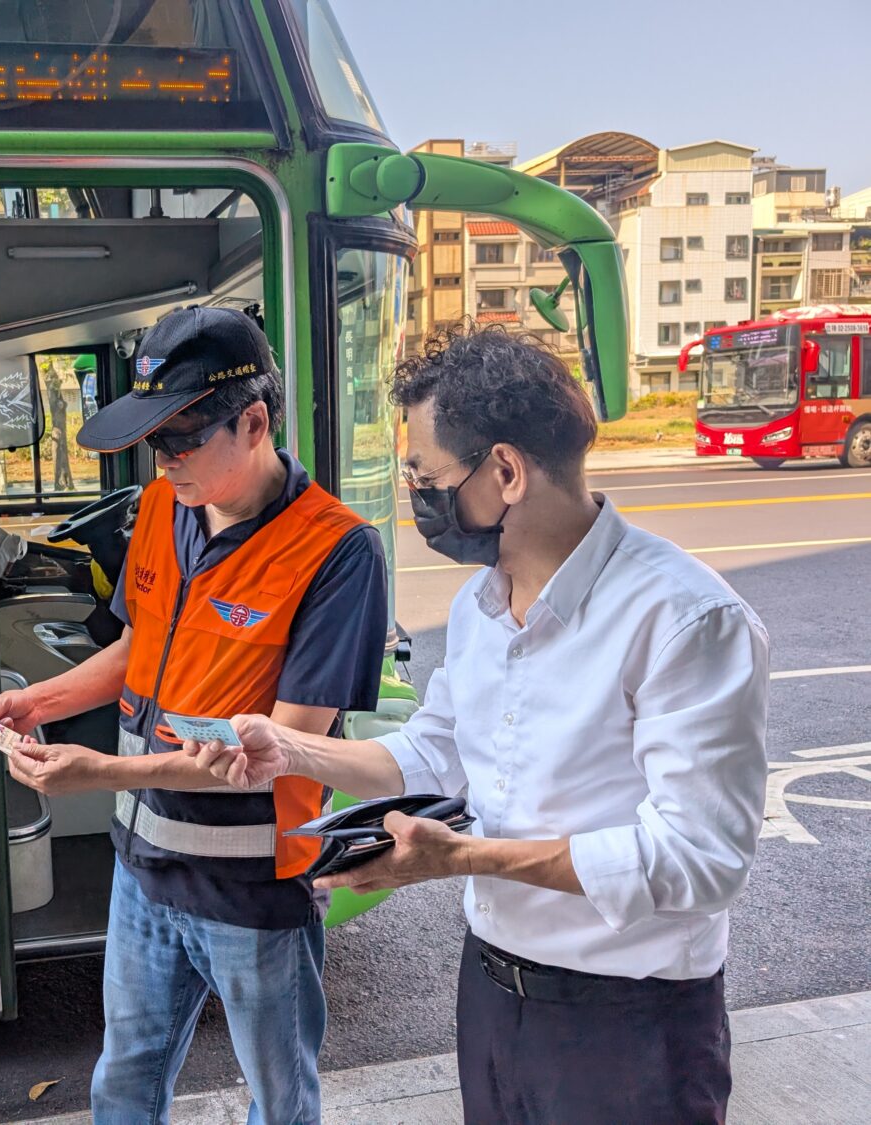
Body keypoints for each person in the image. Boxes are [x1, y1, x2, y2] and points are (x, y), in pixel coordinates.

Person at [185, 323, 770, 1125]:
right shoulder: (479, 608)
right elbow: (434, 753)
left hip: (631, 1022)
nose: (418, 498)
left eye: (425, 477)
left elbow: (700, 858)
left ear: (505, 470)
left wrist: (464, 858)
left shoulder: (683, 617)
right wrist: (287, 749)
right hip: (493, 994)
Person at [0, 307, 388, 1124]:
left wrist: (101, 772)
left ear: (254, 421)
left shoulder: (336, 552)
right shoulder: (162, 509)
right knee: (124, 1079)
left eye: (180, 440)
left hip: (252, 890)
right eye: (153, 444)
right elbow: (138, 649)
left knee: (279, 1097)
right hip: (143, 872)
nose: (164, 464)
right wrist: (34, 700)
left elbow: (286, 745)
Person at [47, 368, 75, 491]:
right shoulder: (52, 395)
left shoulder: (57, 398)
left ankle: (65, 481)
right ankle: (62, 482)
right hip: (57, 430)